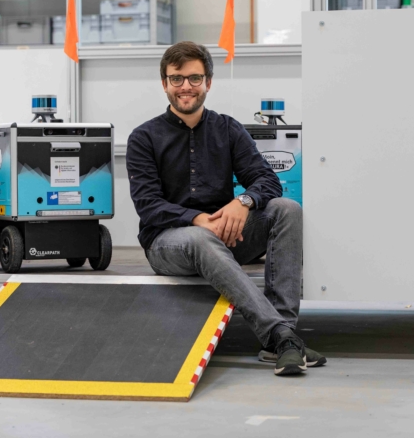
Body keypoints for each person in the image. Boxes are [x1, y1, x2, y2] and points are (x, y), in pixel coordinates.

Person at [126, 41, 326, 376]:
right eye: (176, 79)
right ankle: (281, 337)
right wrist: (197, 219)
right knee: (199, 237)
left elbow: (267, 180)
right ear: (164, 84)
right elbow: (148, 206)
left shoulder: (228, 129)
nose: (186, 86)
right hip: (168, 245)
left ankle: (280, 337)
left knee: (287, 208)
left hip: (225, 235)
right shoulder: (143, 138)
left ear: (208, 82)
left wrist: (242, 202)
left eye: (194, 78)